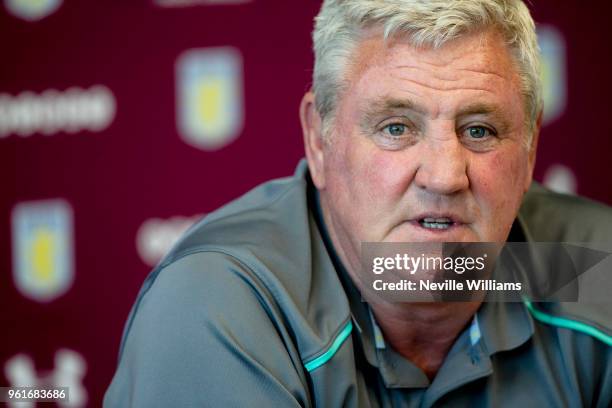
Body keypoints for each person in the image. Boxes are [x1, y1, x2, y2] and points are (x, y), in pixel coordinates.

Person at [105, 0, 612, 406]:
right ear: (319, 139)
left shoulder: (596, 271)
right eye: (396, 128)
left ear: (528, 152)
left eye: (479, 130)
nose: (443, 176)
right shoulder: (220, 304)